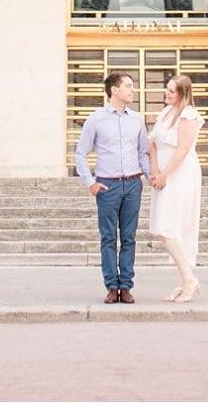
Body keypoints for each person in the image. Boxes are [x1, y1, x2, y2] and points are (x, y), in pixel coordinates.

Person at [72, 70, 151, 304]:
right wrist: (91, 183)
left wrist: (152, 178)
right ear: (114, 90)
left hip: (132, 185)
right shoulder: (96, 119)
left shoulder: (137, 119)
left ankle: (125, 286)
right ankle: (111, 286)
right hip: (107, 186)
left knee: (129, 238)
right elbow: (80, 154)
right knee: (108, 238)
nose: (132, 89)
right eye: (128, 86)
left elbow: (143, 153)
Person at [147, 74, 204, 302]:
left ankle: (189, 280)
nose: (167, 94)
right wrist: (154, 171)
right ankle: (185, 280)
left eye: (172, 91)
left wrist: (165, 174)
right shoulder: (164, 113)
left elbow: (183, 149)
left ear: (183, 93)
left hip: (180, 174)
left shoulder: (188, 115)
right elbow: (152, 144)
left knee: (168, 226)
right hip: (162, 174)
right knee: (162, 227)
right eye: (166, 89)